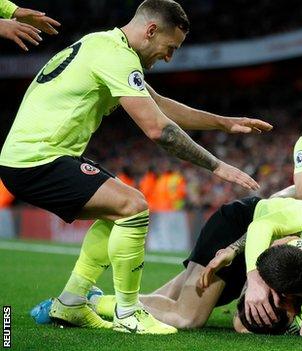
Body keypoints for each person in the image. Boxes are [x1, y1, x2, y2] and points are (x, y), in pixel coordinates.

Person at [0, 0, 271, 335]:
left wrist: (224, 124)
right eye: (170, 47)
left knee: (117, 210)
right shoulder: (117, 56)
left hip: (35, 157)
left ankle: (70, 303)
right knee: (133, 206)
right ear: (151, 30)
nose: (169, 57)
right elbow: (159, 129)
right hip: (37, 159)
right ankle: (129, 314)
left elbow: (160, 104)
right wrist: (216, 166)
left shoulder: (103, 45)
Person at [40, 194, 302, 329]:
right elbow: (267, 222)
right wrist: (256, 277)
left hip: (256, 248)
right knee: (187, 317)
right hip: (242, 230)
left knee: (171, 298)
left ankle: (87, 299)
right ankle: (80, 305)